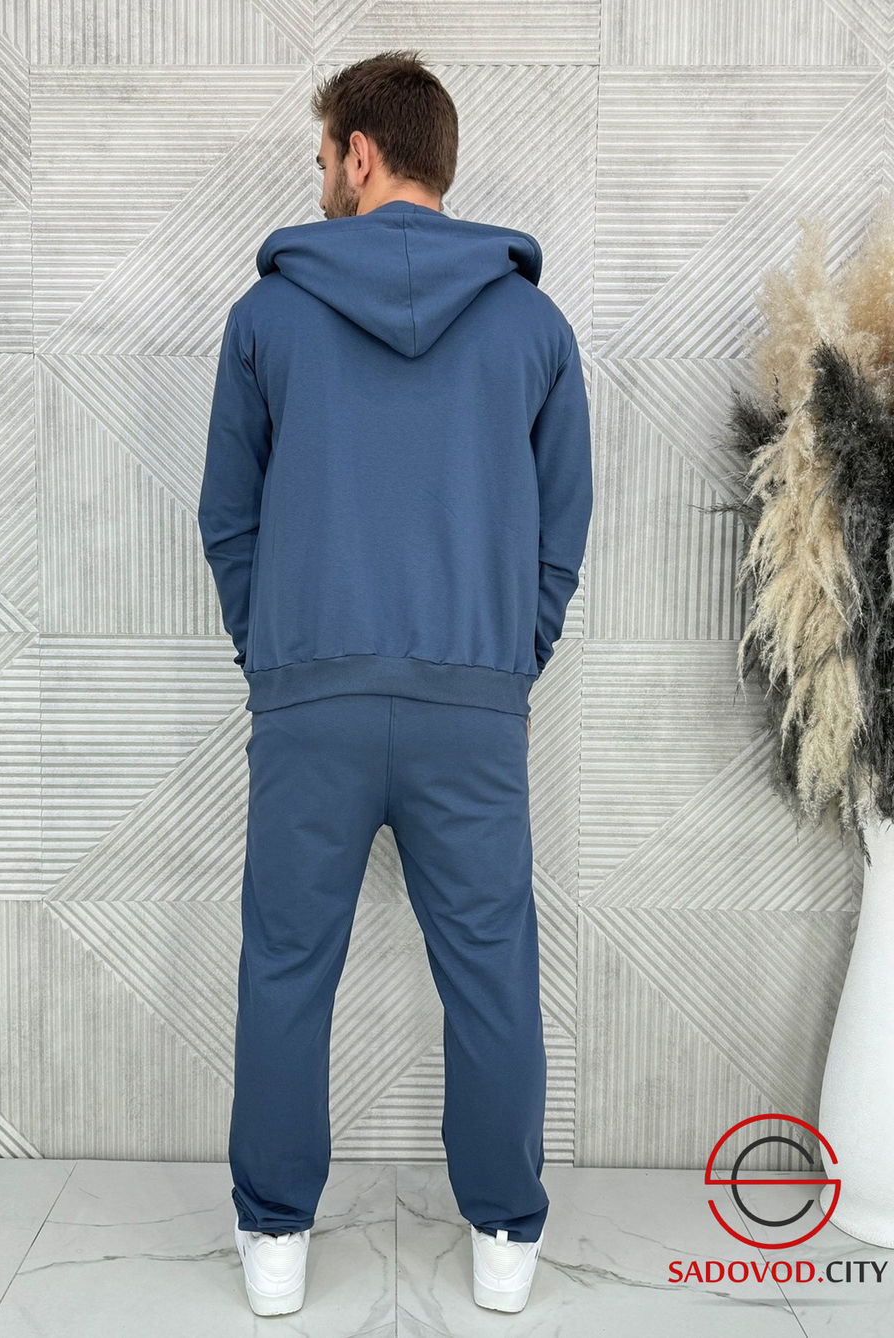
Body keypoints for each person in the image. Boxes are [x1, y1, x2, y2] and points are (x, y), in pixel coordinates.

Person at [198, 49, 593, 1316]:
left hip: (309, 697)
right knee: (491, 969)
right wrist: (508, 656)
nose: (319, 177)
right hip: (470, 703)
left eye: (323, 155)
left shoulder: (265, 317)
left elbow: (227, 517)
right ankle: (506, 1246)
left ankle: (273, 1246)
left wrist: (279, 652)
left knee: (284, 963)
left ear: (360, 154)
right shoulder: (534, 326)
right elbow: (562, 529)